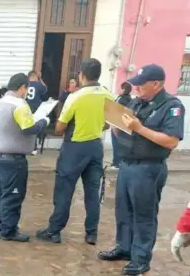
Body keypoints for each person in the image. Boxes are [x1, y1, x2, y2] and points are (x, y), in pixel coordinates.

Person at [98, 64, 186, 275]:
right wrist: (116, 125)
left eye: (140, 85)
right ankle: (124, 247)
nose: (136, 88)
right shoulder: (137, 103)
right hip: (127, 164)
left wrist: (140, 128)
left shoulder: (171, 106)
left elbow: (171, 141)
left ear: (156, 84)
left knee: (144, 214)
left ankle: (141, 258)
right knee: (123, 210)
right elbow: (126, 133)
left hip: (148, 167)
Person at [36, 58, 114, 245]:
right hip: (96, 146)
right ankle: (91, 233)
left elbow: (60, 127)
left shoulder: (76, 97)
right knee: (92, 191)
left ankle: (54, 231)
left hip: (75, 147)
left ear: (82, 75)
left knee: (64, 190)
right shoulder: (107, 94)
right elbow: (107, 124)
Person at [0, 73, 50, 242]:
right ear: (22, 87)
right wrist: (43, 122)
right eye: (26, 89)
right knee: (13, 195)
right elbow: (28, 128)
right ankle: (8, 231)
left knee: (0, 192)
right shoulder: (19, 105)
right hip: (13, 159)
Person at [110, 81, 132, 168]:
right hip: (122, 125)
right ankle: (119, 162)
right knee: (121, 144)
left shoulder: (122, 99)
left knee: (116, 144)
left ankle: (116, 163)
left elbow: (117, 111)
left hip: (117, 125)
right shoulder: (129, 99)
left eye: (121, 88)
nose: (119, 89)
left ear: (124, 89)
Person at [25, 70, 48, 156]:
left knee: (27, 126)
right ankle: (34, 147)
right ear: (35, 76)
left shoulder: (25, 85)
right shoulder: (38, 84)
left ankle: (29, 146)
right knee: (35, 127)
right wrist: (40, 79)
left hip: (26, 108)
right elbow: (45, 89)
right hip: (36, 108)